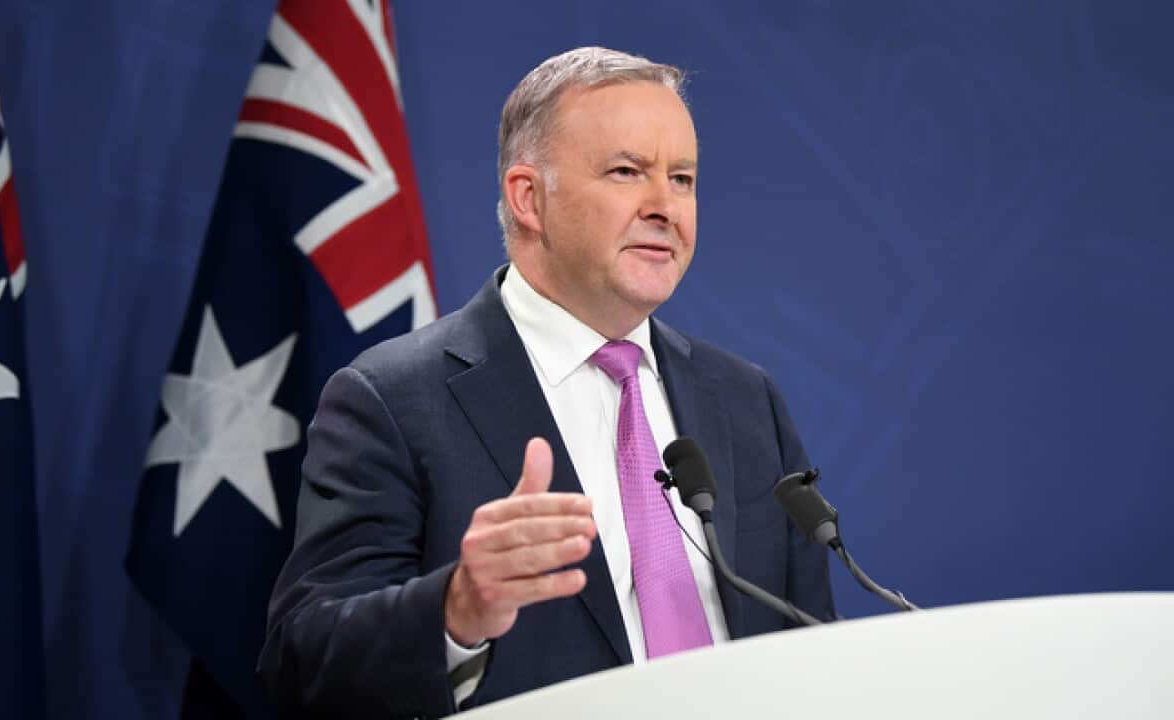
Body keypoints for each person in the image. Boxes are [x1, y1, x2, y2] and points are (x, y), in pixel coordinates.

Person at [259, 46, 833, 718]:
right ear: (529, 198)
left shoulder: (744, 399)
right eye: (627, 172)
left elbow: (812, 646)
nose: (664, 206)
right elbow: (304, 659)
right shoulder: (391, 398)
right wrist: (458, 608)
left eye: (682, 178)